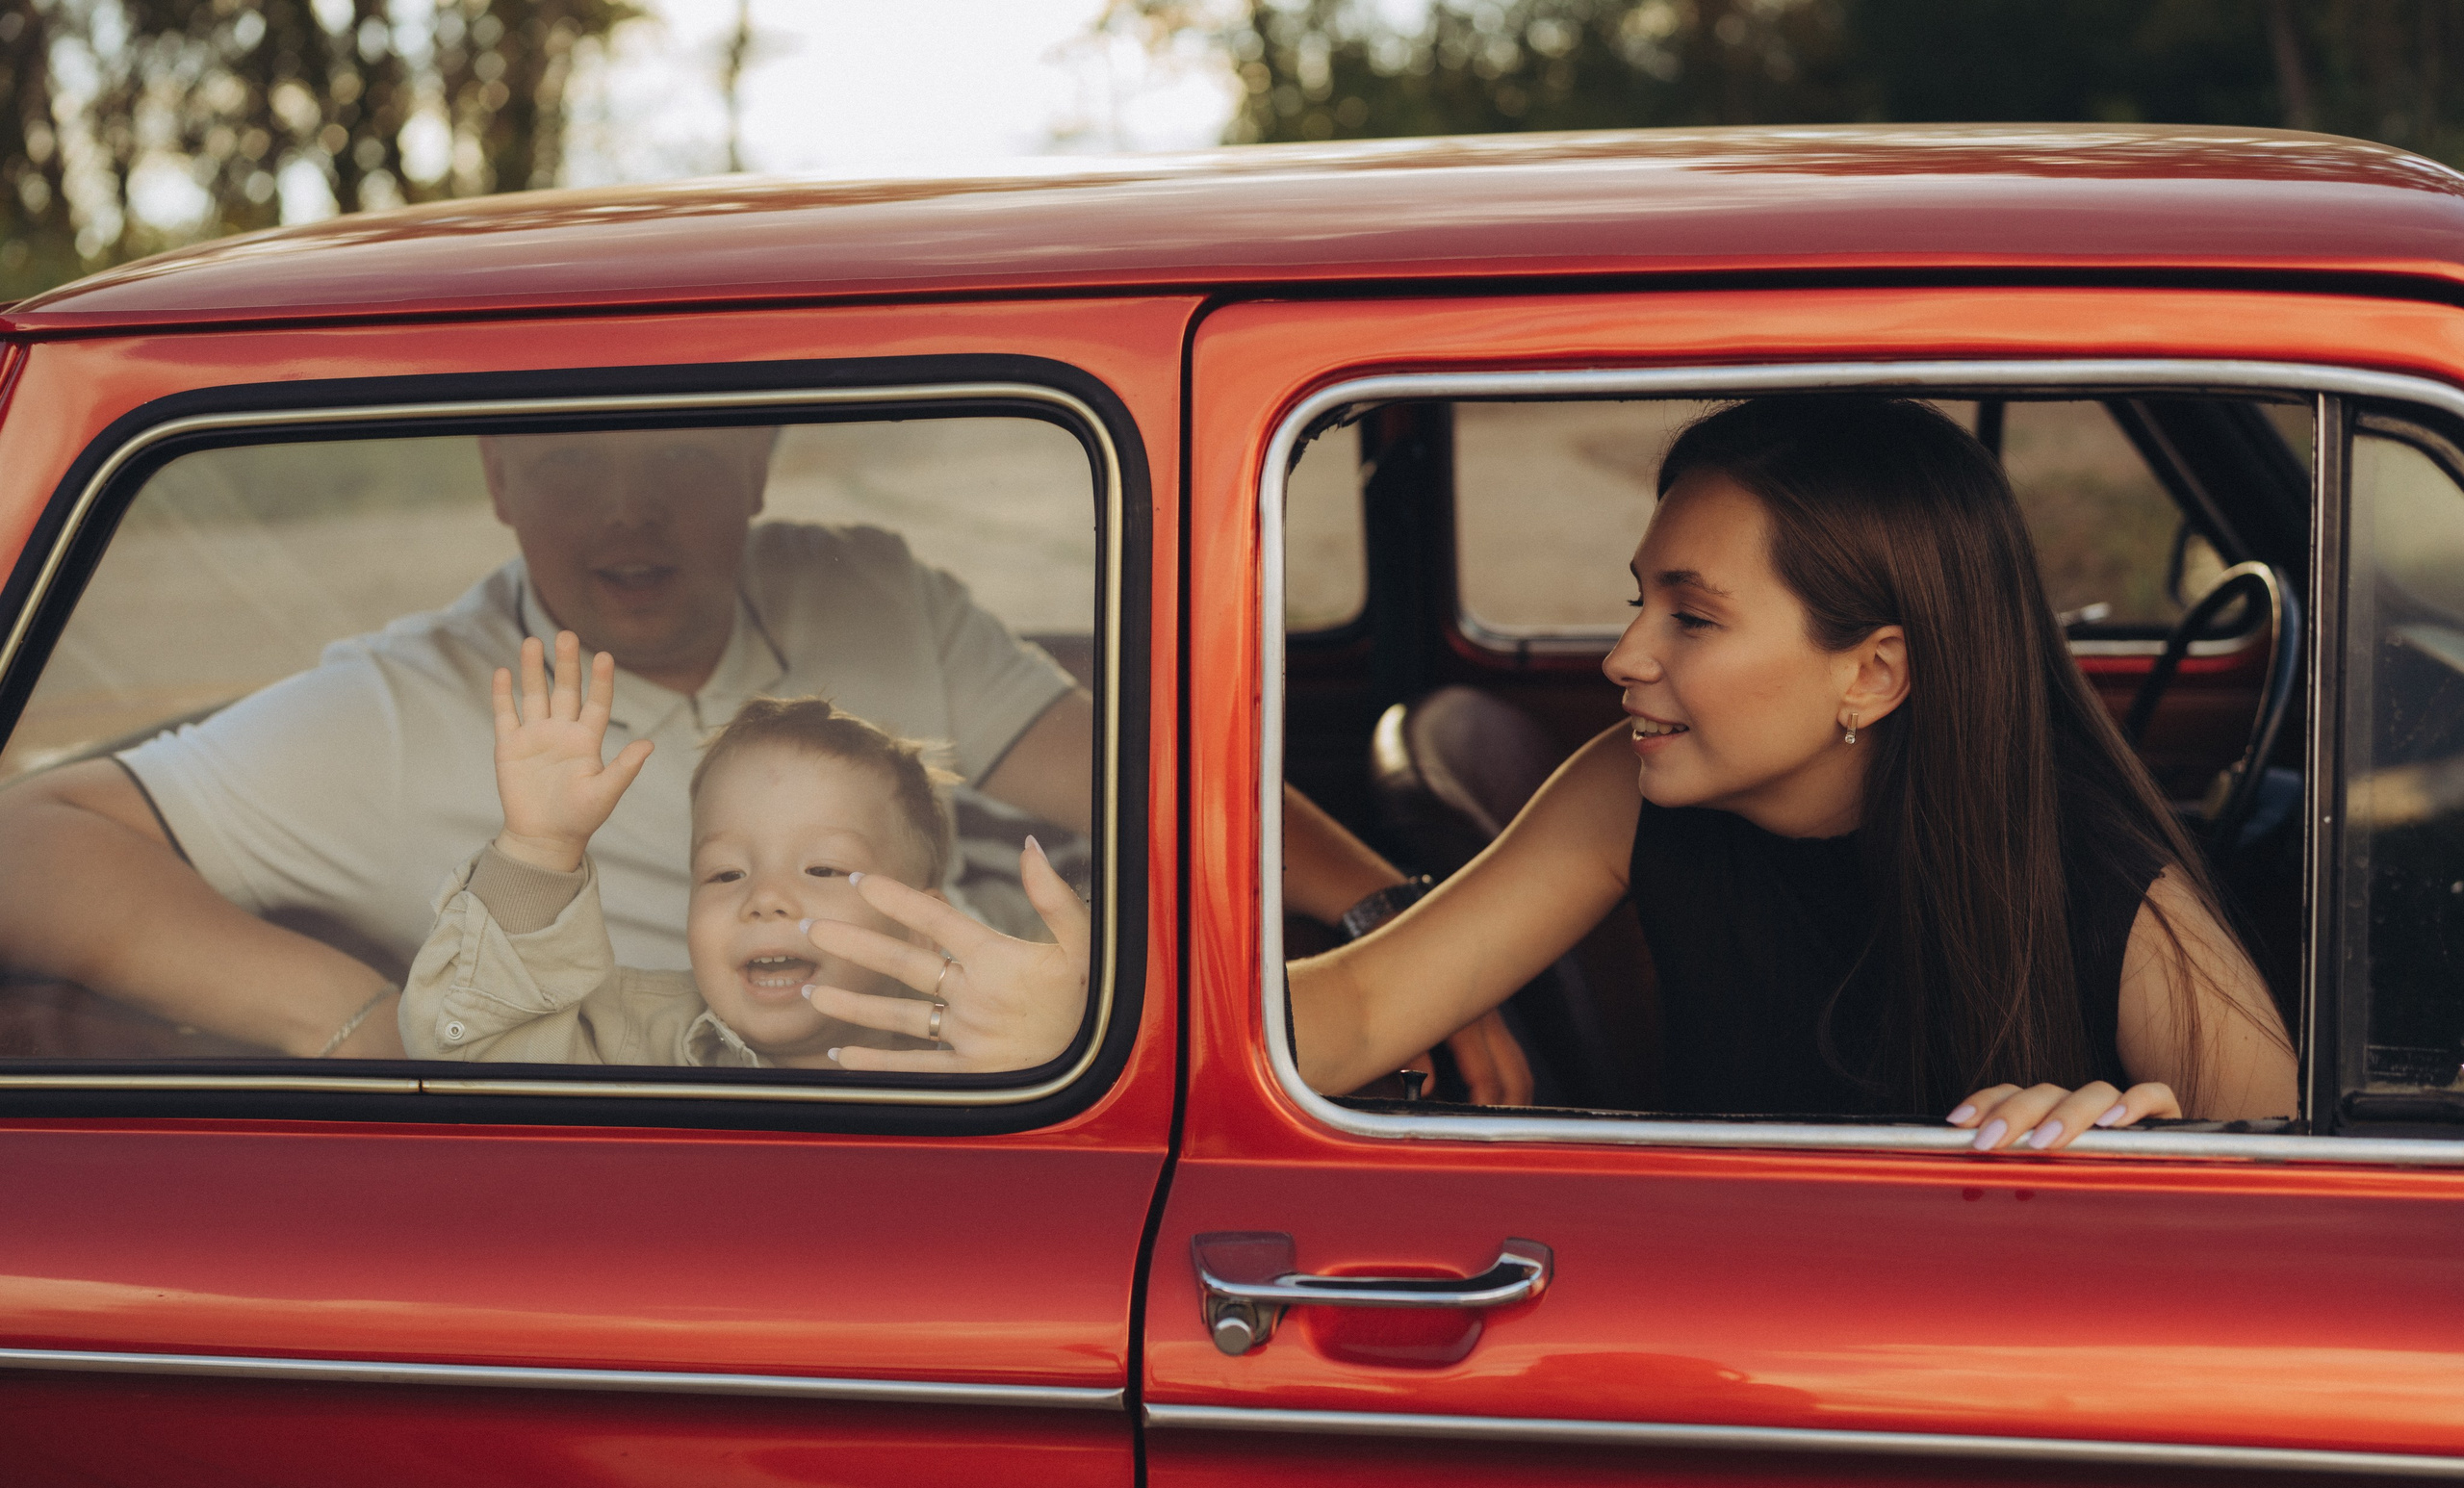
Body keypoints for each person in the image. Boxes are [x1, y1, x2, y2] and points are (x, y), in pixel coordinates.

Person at [807, 397, 2297, 1151]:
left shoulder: (2132, 908)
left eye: (1691, 617)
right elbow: (1370, 1005)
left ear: (1876, 672)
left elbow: (2301, 1227)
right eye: (1639, 595)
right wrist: (1099, 1018)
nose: (1625, 653)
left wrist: (2145, 1147)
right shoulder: (1633, 787)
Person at [0, 423, 1525, 1095]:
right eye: (570, 461)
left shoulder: (864, 581)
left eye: (677, 452)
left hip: (1033, 1041)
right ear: (493, 477)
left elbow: (1139, 785)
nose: (627, 512)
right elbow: (28, 836)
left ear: (759, 459)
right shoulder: (397, 710)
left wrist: (1380, 911)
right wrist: (361, 1023)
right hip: (788, 1131)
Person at [400, 634, 1033, 1067]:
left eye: (822, 868)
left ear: (923, 927)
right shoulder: (631, 1034)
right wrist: (538, 849)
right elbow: (464, 1048)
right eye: (725, 873)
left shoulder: (990, 1047)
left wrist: (1047, 1040)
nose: (764, 899)